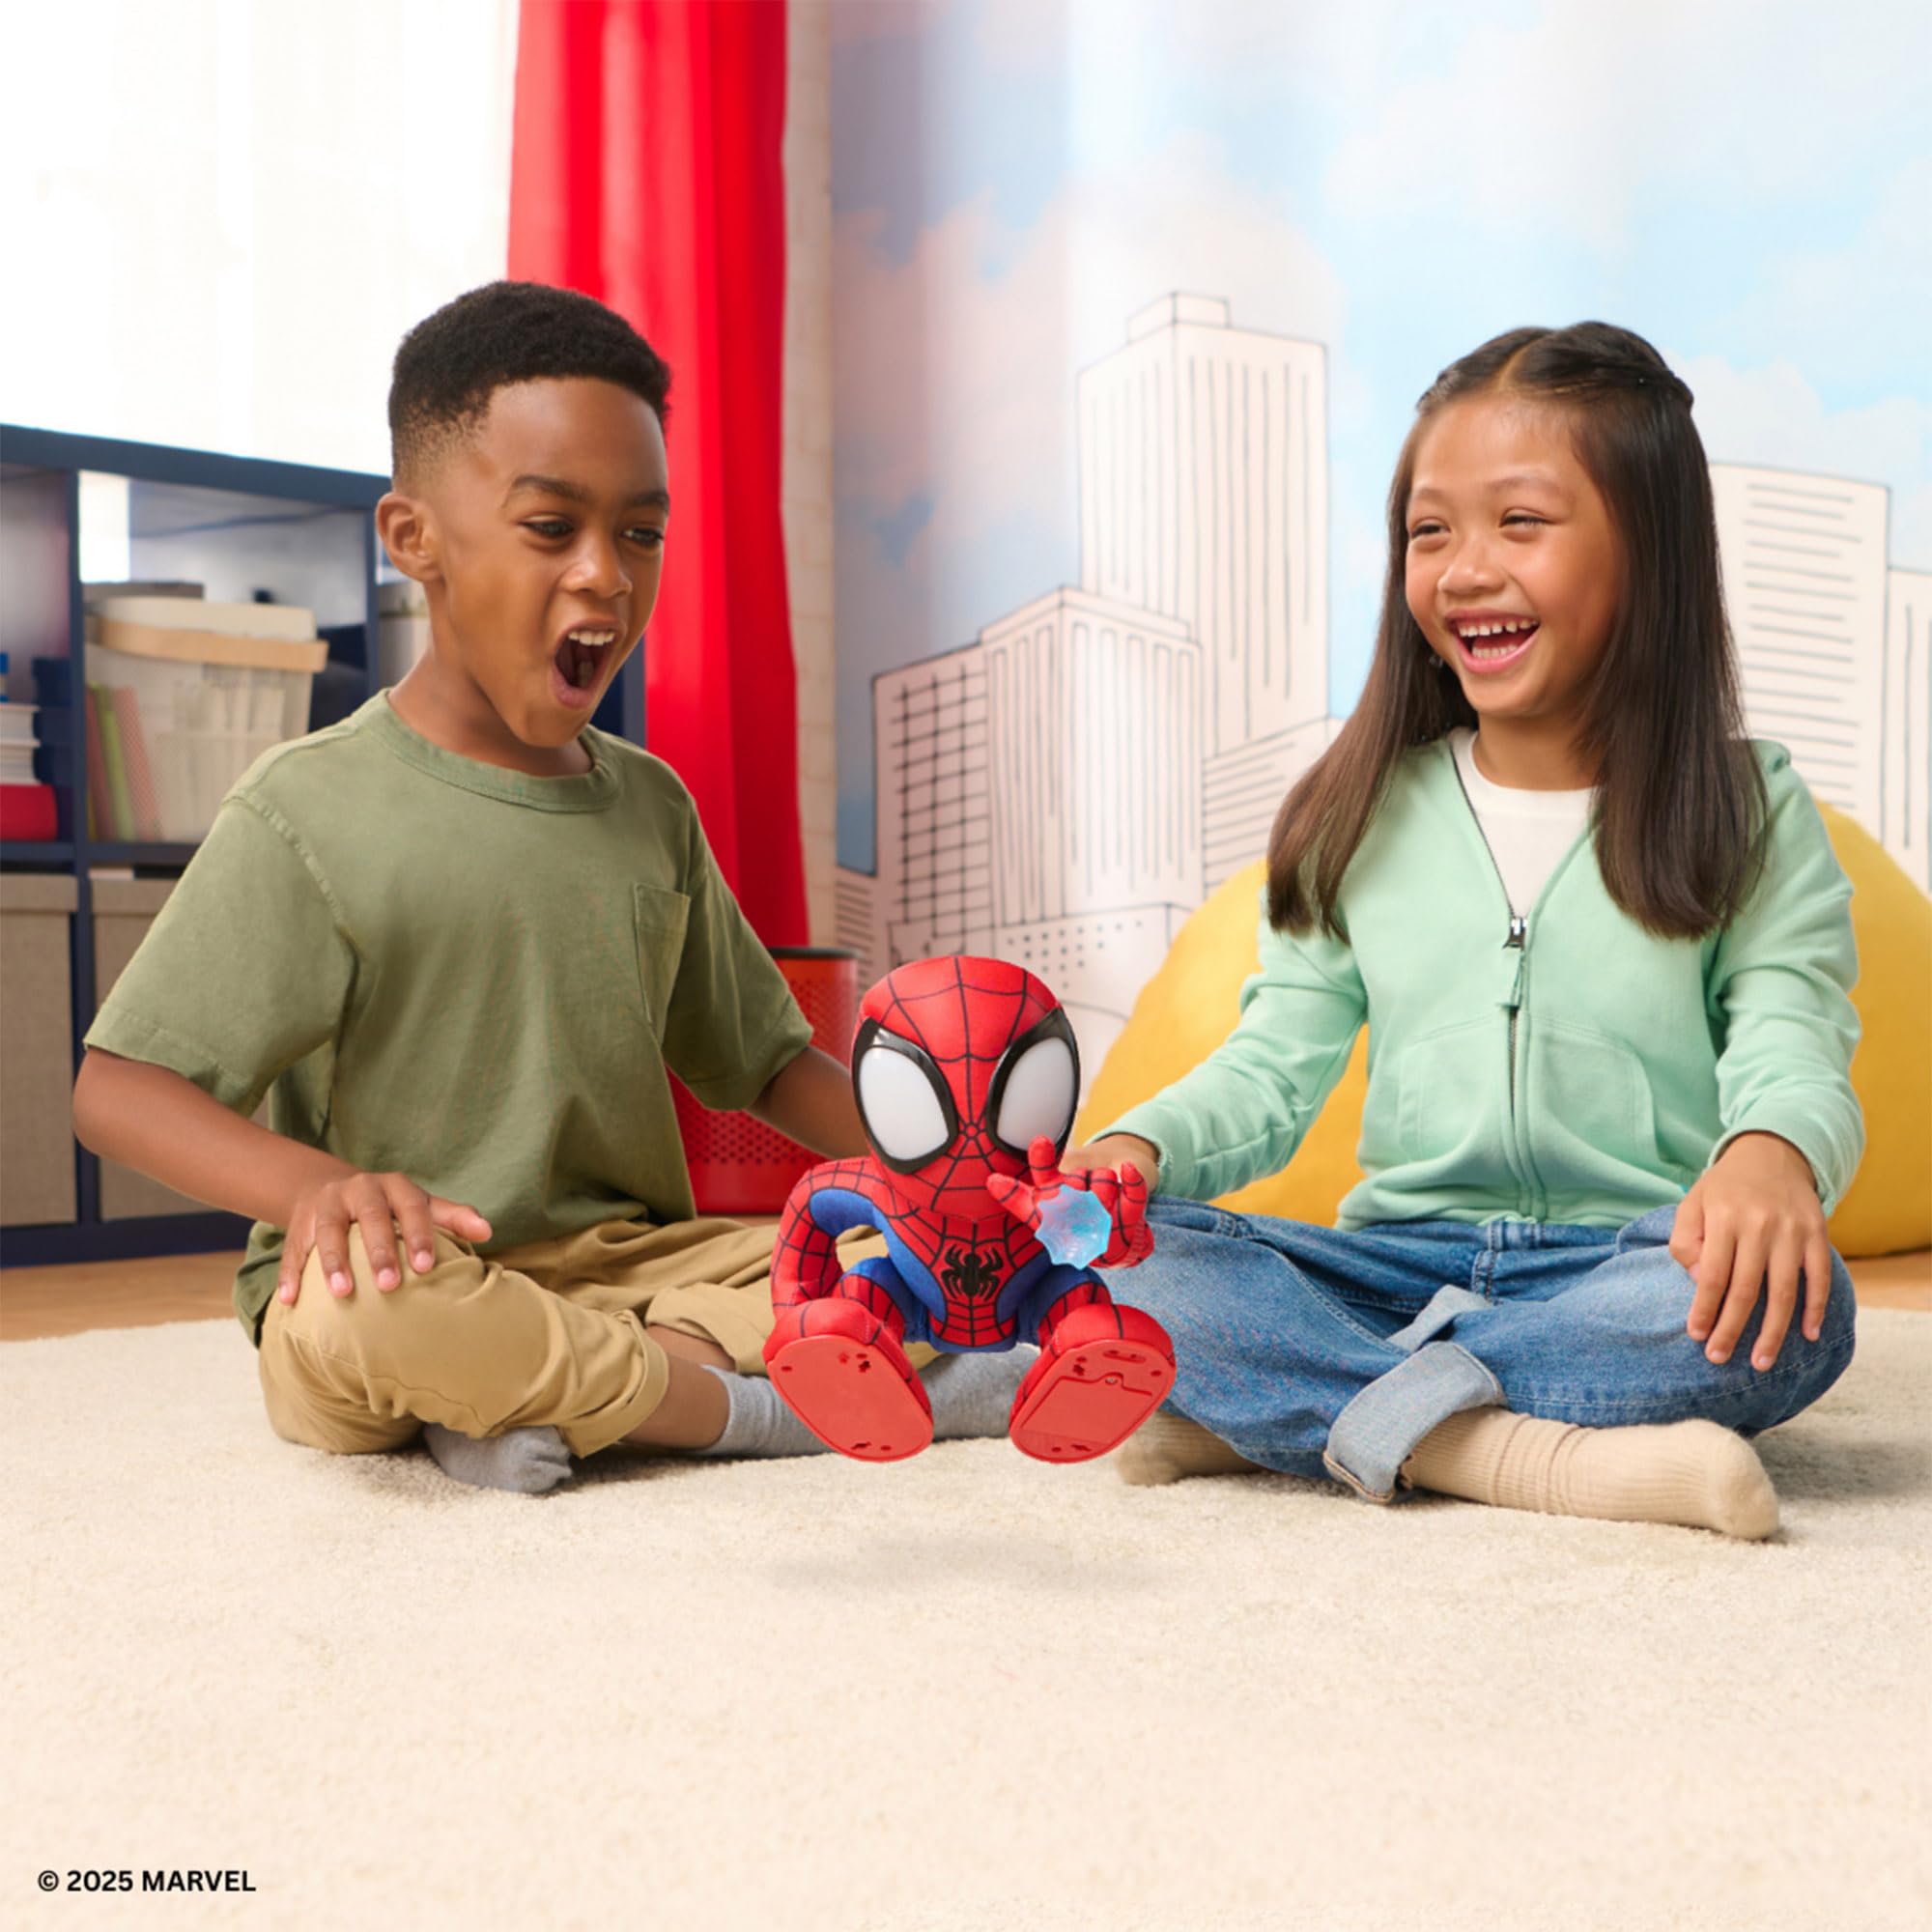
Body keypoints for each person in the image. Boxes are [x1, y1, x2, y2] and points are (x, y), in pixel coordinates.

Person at [71, 280, 1027, 1494]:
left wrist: (942, 1186)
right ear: (413, 537)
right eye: (549, 528)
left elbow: (768, 1063)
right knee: (355, 1326)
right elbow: (118, 1089)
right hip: (406, 1274)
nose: (606, 576)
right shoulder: (306, 806)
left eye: (639, 532)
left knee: (899, 1248)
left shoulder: (649, 807)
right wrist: (315, 1186)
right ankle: (740, 1410)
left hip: (637, 1265)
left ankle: (565, 1396)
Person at [1066, 321, 1861, 1539]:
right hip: (1388, 1262)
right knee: (1125, 1263)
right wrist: (1135, 1148)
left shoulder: (1748, 805)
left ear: (1647, 550)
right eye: (1428, 530)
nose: (1462, 568)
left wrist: (1770, 1151)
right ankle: (1526, 1458)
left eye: (1519, 523)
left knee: (1799, 1313)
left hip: (1621, 1263)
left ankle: (1282, 1410)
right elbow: (1270, 1070)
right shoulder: (1356, 810)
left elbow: (1792, 1035)